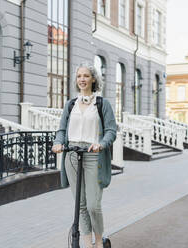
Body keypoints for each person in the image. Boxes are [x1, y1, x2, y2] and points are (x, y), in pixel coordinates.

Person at [52, 62, 117, 248]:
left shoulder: (102, 104)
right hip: (72, 155)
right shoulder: (70, 104)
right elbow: (62, 129)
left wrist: (101, 144)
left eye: (86, 76)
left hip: (93, 156)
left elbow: (111, 130)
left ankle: (99, 243)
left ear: (93, 79)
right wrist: (58, 143)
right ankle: (87, 244)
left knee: (93, 205)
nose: (82, 79)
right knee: (80, 205)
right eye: (79, 76)